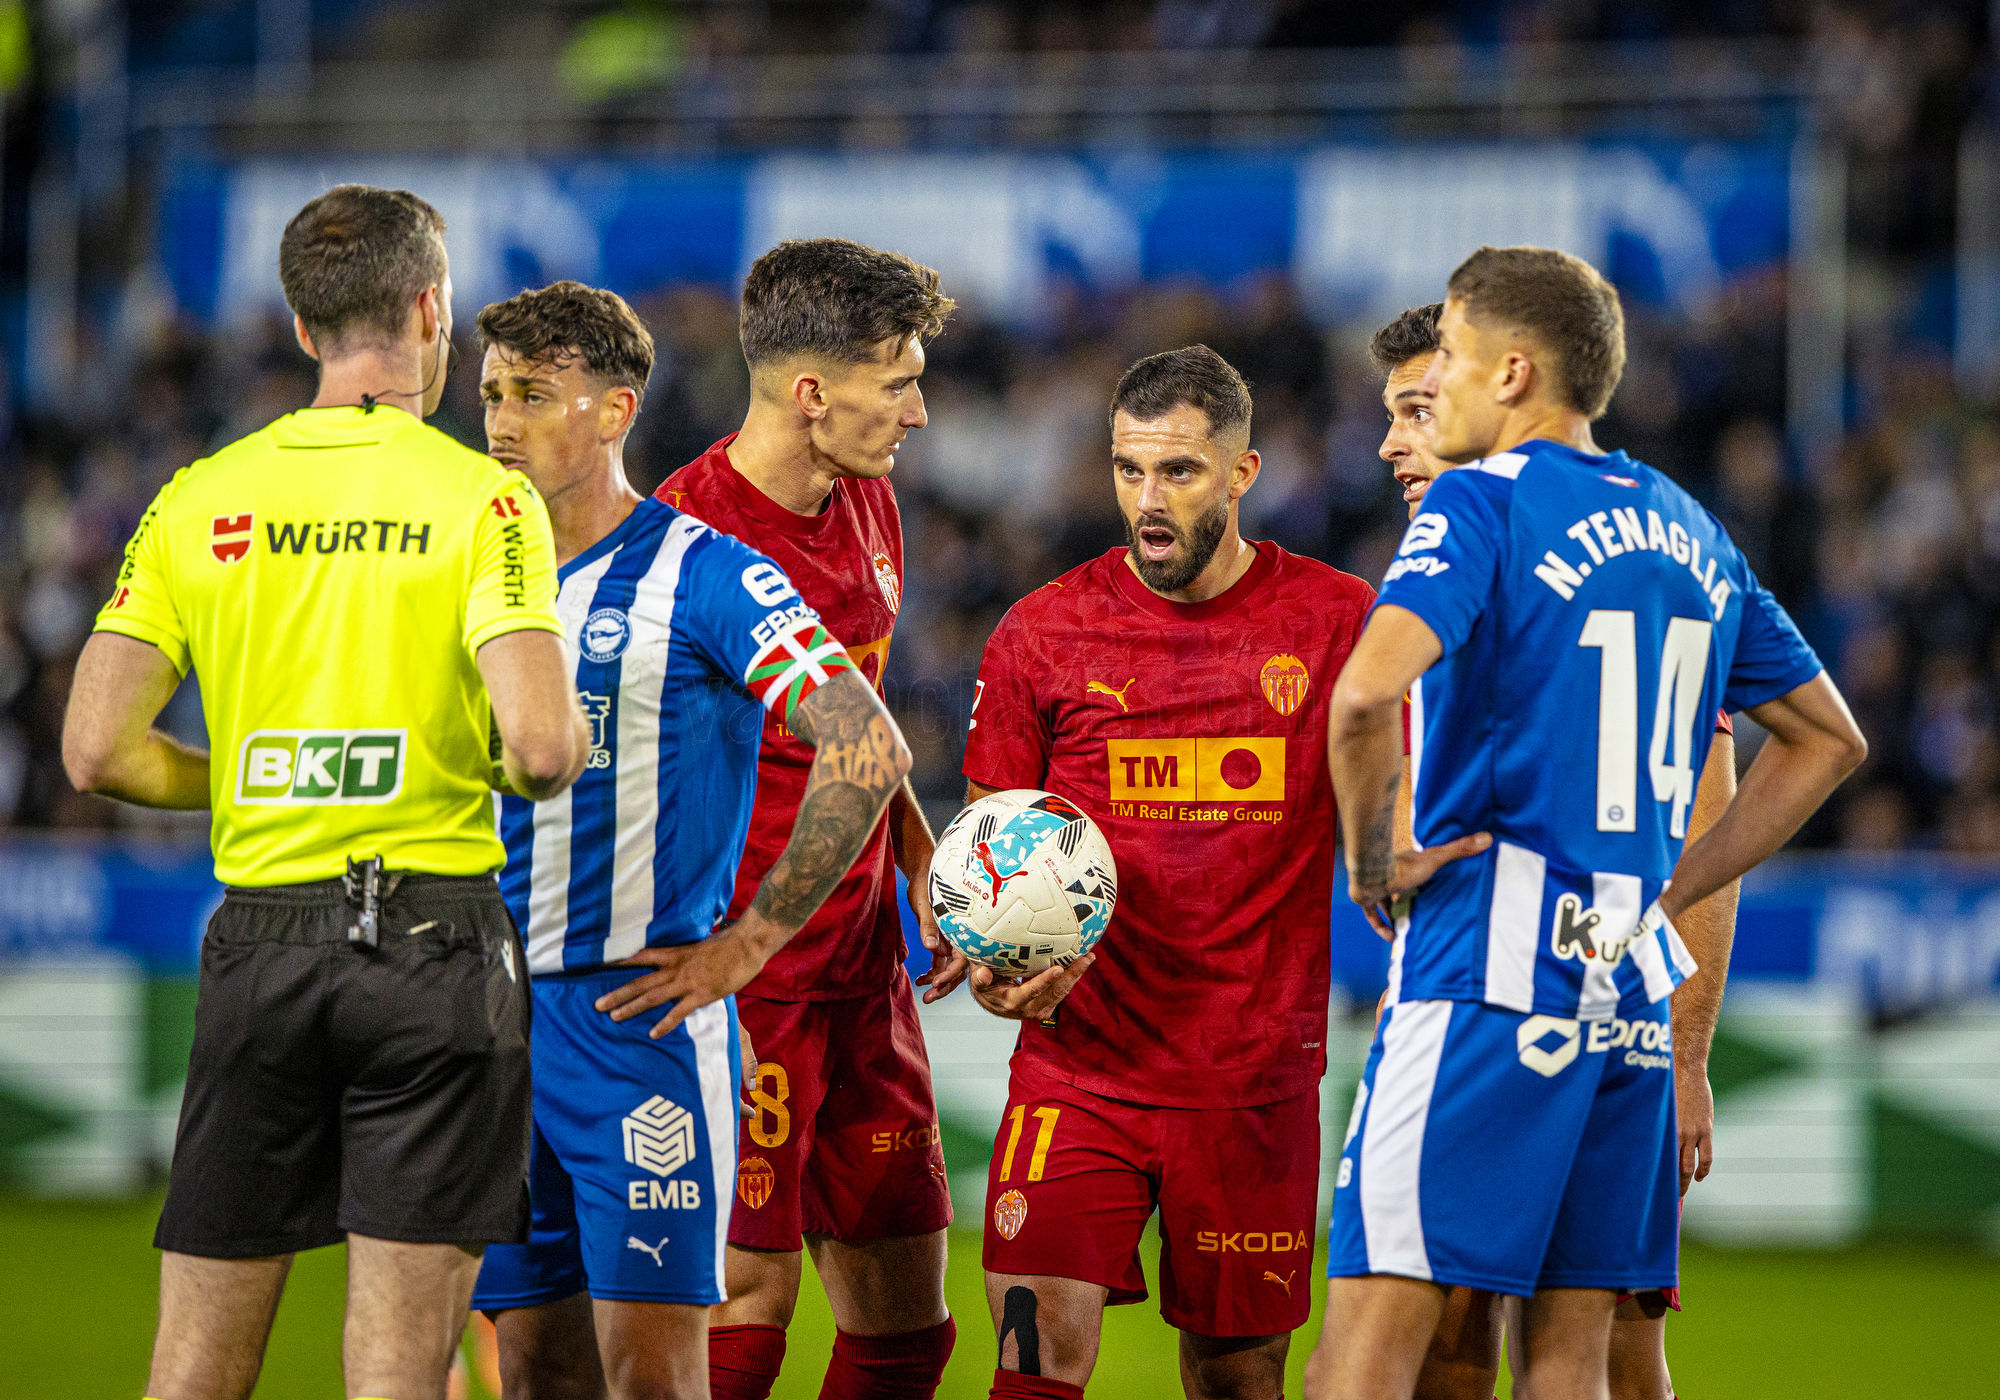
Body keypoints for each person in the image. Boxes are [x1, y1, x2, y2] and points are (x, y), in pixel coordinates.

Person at [1308, 246, 1867, 1400]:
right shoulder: (1691, 530)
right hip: (1627, 1001)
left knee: (1361, 1350)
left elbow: (1360, 698)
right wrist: (1672, 886)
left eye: (1451, 359)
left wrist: (1371, 856)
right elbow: (1828, 739)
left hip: (1483, 974)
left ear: (1511, 372)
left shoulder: (1480, 499)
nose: (1436, 390)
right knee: (1573, 1363)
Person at [61, 184, 590, 1400]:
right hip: (435, 946)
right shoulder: (483, 496)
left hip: (261, 941)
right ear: (430, 309)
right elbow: (539, 746)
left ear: (303, 327)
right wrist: (509, 749)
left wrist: (269, 772)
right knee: (401, 1372)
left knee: (193, 1369)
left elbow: (96, 750)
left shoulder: (200, 493)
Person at [959, 345, 1481, 1400]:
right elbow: (989, 849)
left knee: (1238, 1379)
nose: (1147, 501)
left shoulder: (1337, 622)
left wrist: (1399, 867)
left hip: (1252, 1085)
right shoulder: (1042, 632)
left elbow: (1392, 804)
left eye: (1179, 471)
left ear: (1242, 474)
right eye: (1128, 469)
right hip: (1079, 1068)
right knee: (1032, 1354)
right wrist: (992, 967)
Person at [464, 280, 917, 1400]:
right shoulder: (457, 573)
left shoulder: (703, 569)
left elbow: (866, 743)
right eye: (491, 395)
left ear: (616, 410)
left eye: (534, 395)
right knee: (533, 1374)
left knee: (657, 1380)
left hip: (636, 1026)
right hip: (484, 1024)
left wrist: (746, 946)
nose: (503, 423)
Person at [1346, 302, 1746, 1400]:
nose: (1390, 444)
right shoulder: (1652, 550)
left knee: (1555, 1336)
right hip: (1593, 999)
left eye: (1416, 410)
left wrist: (1690, 1048)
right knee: (1525, 1336)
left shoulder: (1506, 549)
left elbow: (1705, 824)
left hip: (1507, 992)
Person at [646, 238, 960, 1400]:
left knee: (906, 1324)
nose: (918, 412)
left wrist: (916, 851)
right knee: (746, 1302)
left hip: (863, 967)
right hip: (747, 978)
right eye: (899, 384)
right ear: (812, 391)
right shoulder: (683, 540)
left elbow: (858, 714)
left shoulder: (866, 496)